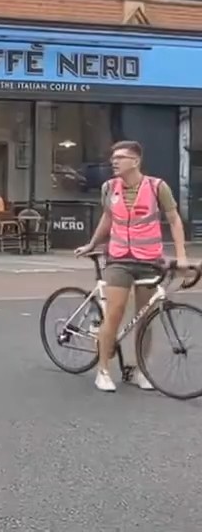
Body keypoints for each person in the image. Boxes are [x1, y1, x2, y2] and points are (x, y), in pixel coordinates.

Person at [75, 140, 188, 393]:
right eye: (113, 157)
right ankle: (103, 370)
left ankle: (140, 370)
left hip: (149, 260)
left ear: (135, 161)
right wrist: (92, 243)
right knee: (114, 313)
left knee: (145, 318)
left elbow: (174, 220)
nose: (114, 161)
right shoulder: (109, 187)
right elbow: (108, 217)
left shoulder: (158, 187)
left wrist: (180, 256)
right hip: (118, 260)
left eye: (120, 157)